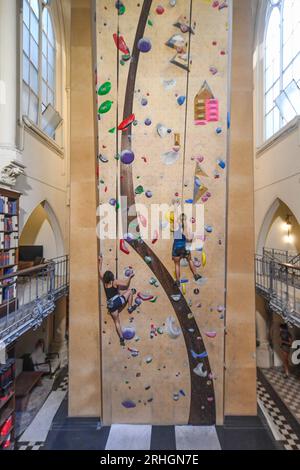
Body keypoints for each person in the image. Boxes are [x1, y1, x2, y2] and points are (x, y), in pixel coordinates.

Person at [99, 255, 137, 346]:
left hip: (111, 305)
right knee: (130, 291)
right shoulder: (114, 282)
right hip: (118, 301)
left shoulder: (105, 282)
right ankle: (130, 307)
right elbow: (125, 283)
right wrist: (130, 276)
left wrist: (100, 261)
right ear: (111, 276)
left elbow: (100, 272)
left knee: (117, 322)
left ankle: (121, 339)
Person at [172, 213, 202, 288]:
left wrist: (175, 205)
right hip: (184, 248)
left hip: (176, 248)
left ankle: (178, 280)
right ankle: (196, 275)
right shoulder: (184, 234)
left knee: (177, 264)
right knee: (190, 260)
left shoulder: (176, 231)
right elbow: (189, 240)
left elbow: (176, 220)